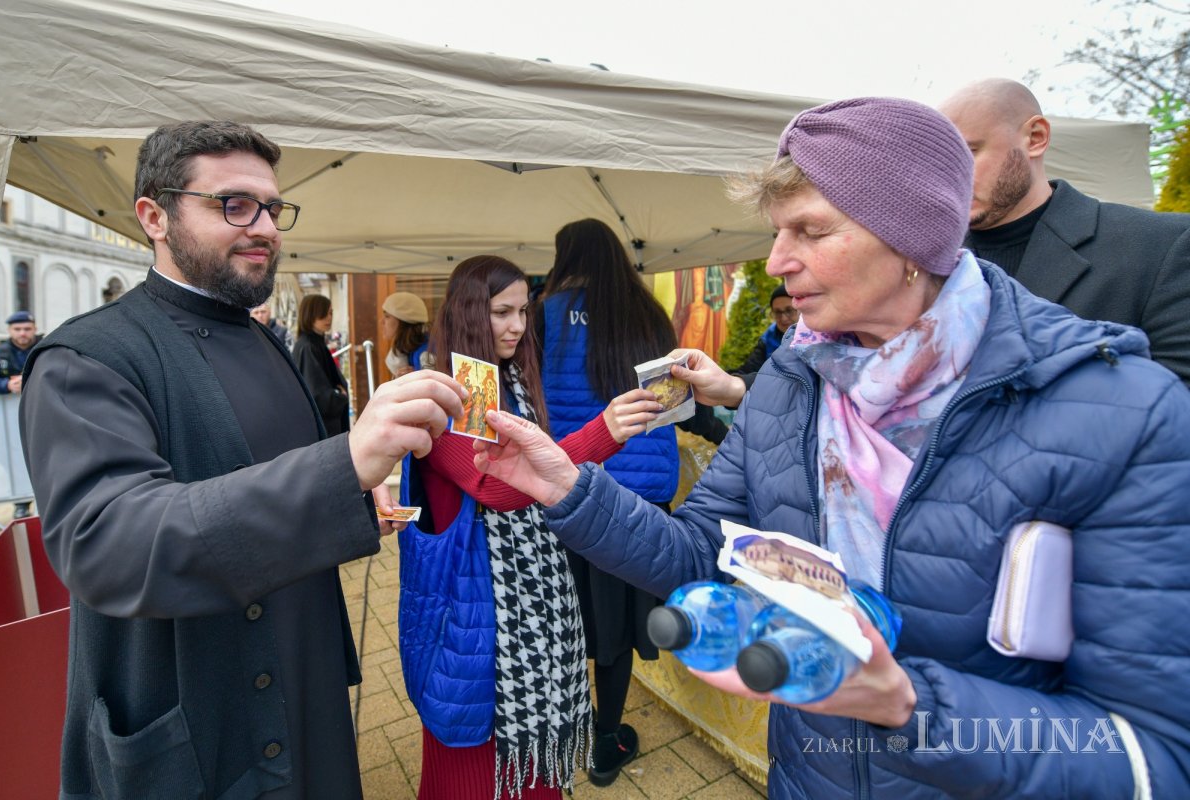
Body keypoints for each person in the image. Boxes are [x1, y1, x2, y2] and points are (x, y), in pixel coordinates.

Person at [469, 98, 1190, 798]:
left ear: (911, 236)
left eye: (810, 231)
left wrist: (907, 707)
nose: (776, 261)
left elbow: (1153, 757)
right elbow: (701, 554)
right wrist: (570, 490)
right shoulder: (793, 380)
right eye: (777, 232)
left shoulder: (1124, 415)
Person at [18, 119, 467, 799]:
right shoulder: (85, 358)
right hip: (203, 724)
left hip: (305, 686)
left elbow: (279, 468)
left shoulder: (263, 341)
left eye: (273, 209)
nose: (264, 228)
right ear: (154, 217)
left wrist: (352, 492)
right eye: (234, 205)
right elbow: (109, 542)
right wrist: (342, 465)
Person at [406, 254, 663, 799]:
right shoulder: (451, 390)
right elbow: (497, 488)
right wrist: (604, 431)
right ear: (469, 311)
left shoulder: (507, 380)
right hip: (473, 604)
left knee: (519, 765)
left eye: (523, 311)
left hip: (516, 598)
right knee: (476, 764)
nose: (518, 326)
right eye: (502, 312)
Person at [536, 217, 686, 784]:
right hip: (640, 499)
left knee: (567, 615)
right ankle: (605, 740)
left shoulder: (543, 315)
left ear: (565, 256)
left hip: (571, 490)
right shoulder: (649, 313)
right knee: (616, 627)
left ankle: (564, 725)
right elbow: (674, 403)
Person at [939, 78, 1190, 385]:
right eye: (941, 163)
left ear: (1036, 138)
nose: (950, 177)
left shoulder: (1163, 245)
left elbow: (1178, 399)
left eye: (968, 153)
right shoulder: (925, 261)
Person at [0, 309, 41, 517]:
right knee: (15, 458)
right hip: (8, 423)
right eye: (18, 329)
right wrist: (6, 385)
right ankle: (21, 503)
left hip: (42, 416)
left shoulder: (46, 348)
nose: (22, 333)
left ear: (34, 329)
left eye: (27, 329)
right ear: (9, 331)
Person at [292, 293, 349, 436]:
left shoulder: (315, 343)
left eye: (330, 313)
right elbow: (317, 393)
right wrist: (340, 396)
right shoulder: (308, 347)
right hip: (322, 427)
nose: (328, 318)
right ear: (310, 314)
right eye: (323, 313)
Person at [732, 285, 797, 378]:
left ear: (801, 310)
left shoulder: (815, 337)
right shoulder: (768, 339)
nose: (784, 318)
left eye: (789, 310)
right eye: (777, 312)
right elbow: (749, 369)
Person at [381, 290, 434, 377]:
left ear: (403, 320)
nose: (381, 322)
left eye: (387, 316)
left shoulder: (425, 353)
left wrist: (417, 378)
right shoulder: (405, 347)